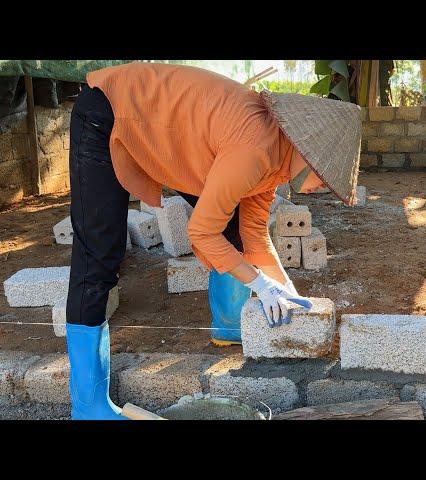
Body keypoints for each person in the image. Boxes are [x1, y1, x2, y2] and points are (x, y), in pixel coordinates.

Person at [65, 62, 362, 419]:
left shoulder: (278, 157)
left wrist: (284, 288)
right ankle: (89, 406)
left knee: (234, 225)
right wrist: (259, 284)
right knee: (100, 252)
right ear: (308, 152)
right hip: (111, 110)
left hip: (169, 127)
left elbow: (253, 234)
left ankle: (229, 323)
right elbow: (201, 233)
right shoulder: (253, 151)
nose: (320, 188)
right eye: (324, 178)